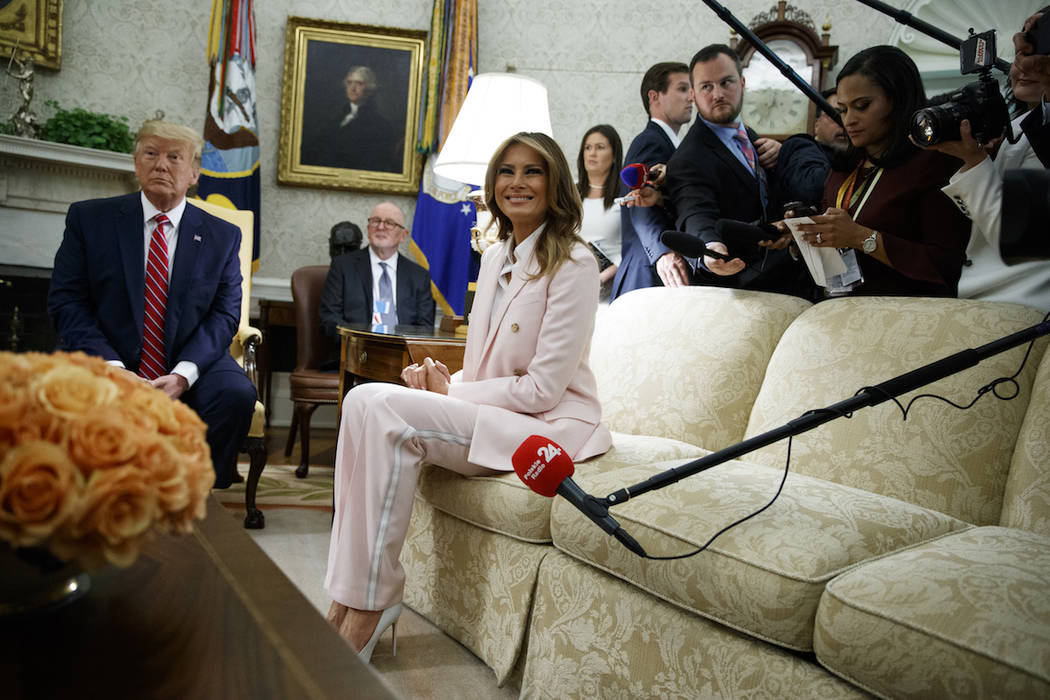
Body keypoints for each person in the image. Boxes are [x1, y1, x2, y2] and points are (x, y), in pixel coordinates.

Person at [324, 132, 611, 660]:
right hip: (496, 414)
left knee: (383, 409)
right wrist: (448, 386)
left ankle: (368, 603)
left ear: (555, 183)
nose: (517, 183)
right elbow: (485, 366)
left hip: (547, 427)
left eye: (532, 171)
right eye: (507, 171)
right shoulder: (497, 253)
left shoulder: (573, 263)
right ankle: (349, 596)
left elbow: (542, 388)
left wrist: (457, 393)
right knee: (361, 401)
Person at [47, 119, 256, 488]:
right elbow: (67, 301)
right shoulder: (89, 219)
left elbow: (225, 315)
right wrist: (112, 367)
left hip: (187, 356)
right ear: (136, 163)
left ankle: (192, 490)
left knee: (236, 394)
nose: (161, 164)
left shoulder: (222, 236)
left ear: (194, 173)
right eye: (151, 153)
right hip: (106, 353)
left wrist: (182, 375)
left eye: (174, 157)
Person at [792, 46, 970, 297]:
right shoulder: (844, 168)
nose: (849, 120)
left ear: (897, 102)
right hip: (837, 309)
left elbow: (945, 266)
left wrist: (861, 236)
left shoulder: (935, 163)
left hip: (906, 315)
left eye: (862, 106)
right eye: (843, 110)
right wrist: (801, 234)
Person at [664, 44, 806, 296]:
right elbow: (695, 211)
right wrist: (710, 246)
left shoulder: (751, 137)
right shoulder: (687, 158)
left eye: (726, 82)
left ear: (742, 83)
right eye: (706, 87)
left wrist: (781, 154)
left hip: (785, 282)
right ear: (693, 95)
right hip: (735, 290)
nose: (717, 94)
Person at [931, 8, 1050, 309]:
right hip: (988, 303)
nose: (1022, 66)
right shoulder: (1021, 126)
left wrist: (975, 164)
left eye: (1040, 52)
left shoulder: (1038, 131)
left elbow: (1023, 236)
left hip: (1027, 306)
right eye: (1020, 53)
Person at [612, 62, 694, 299]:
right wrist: (662, 253)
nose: (691, 97)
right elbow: (638, 201)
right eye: (682, 89)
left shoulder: (677, 146)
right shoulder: (649, 141)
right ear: (654, 96)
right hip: (648, 273)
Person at [319, 202, 435, 363]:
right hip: (352, 357)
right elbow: (329, 320)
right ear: (368, 228)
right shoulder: (342, 267)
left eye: (389, 223)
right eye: (375, 221)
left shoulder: (419, 276)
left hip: (401, 360)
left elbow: (424, 328)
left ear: (403, 235)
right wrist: (363, 348)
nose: (381, 227)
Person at [300, 66, 402, 173]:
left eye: (359, 83)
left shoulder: (380, 125)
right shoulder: (336, 118)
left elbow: (372, 163)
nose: (353, 88)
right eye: (349, 83)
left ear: (370, 89)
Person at [776, 88, 849, 207]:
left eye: (847, 114)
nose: (843, 122)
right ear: (816, 125)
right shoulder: (801, 145)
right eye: (833, 114)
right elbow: (810, 188)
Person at [575, 124, 623, 302]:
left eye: (600, 147)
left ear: (614, 157)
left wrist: (602, 278)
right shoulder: (569, 195)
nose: (592, 153)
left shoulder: (626, 197)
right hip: (572, 287)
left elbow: (634, 248)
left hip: (613, 290)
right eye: (587, 148)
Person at [1014, 9, 1050, 165]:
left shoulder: (1038, 132)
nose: (1025, 67)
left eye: (1043, 55)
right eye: (1024, 54)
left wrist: (976, 160)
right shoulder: (1011, 123)